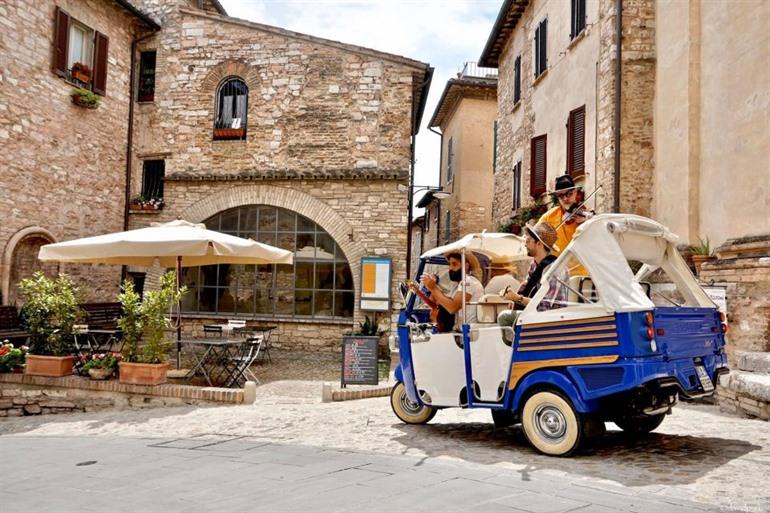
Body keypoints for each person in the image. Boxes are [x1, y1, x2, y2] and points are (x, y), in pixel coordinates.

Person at [498, 222, 568, 329]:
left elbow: (545, 306)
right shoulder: (535, 265)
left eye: (528, 240)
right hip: (537, 315)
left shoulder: (555, 270)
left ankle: (516, 345)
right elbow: (526, 286)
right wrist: (514, 299)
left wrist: (518, 299)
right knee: (507, 315)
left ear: (539, 244)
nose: (525, 244)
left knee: (504, 317)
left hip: (552, 319)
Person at [539, 174, 591, 275]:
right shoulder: (548, 217)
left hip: (582, 274)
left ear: (576, 193)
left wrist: (586, 223)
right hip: (558, 274)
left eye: (569, 194)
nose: (565, 199)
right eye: (561, 196)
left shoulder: (586, 215)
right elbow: (536, 236)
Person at [421, 251, 484, 329]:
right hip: (458, 330)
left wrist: (433, 288)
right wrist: (431, 287)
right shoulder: (457, 285)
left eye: (454, 264)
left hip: (467, 332)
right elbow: (443, 303)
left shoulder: (469, 281)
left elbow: (452, 308)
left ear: (466, 266)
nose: (450, 268)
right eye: (450, 264)